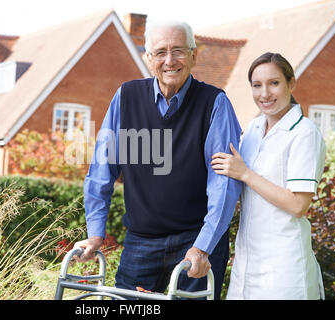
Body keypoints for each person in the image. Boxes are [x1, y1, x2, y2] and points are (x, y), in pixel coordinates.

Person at [73, 19, 242, 299]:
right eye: (160, 52)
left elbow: (223, 184)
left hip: (196, 238)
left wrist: (203, 246)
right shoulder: (126, 97)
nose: (169, 60)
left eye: (178, 50)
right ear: (148, 58)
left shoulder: (215, 103)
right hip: (141, 240)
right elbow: (101, 170)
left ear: (193, 55)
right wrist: (95, 233)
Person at [211, 52, 326, 299]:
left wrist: (246, 174)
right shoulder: (252, 129)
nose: (264, 94)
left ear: (291, 83)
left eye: (274, 83)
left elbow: (298, 205)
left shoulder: (305, 133)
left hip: (284, 268)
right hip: (246, 263)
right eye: (257, 85)